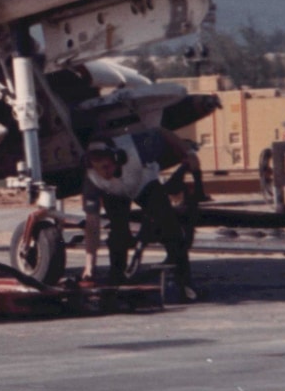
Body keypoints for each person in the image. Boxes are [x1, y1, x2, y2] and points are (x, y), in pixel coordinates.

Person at [79, 129, 199, 300]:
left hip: (144, 183)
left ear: (117, 157)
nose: (104, 174)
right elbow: (92, 224)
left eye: (106, 166)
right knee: (118, 236)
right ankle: (117, 280)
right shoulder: (92, 178)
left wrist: (186, 152)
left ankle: (185, 283)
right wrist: (89, 266)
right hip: (115, 194)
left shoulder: (137, 147)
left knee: (170, 228)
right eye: (98, 169)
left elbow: (161, 132)